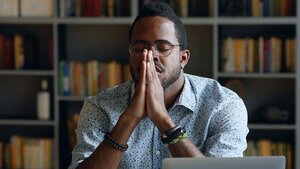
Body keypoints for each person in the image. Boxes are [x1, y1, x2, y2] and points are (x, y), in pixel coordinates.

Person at [68, 2, 249, 169]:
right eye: (140, 49)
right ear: (130, 55)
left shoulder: (223, 105)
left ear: (183, 58)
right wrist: (130, 118)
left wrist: (164, 121)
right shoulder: (99, 106)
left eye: (162, 47)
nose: (150, 55)